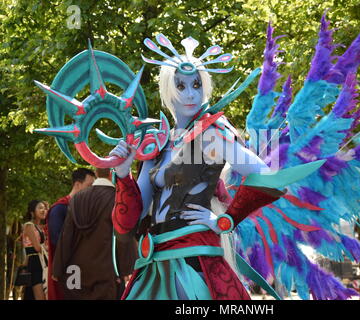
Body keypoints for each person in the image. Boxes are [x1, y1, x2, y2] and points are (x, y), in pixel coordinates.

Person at [108, 35, 306, 300]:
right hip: (155, 266)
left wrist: (225, 220)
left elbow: (268, 177)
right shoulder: (155, 142)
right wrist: (122, 174)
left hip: (195, 263)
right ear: (168, 89)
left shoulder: (212, 134)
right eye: (181, 85)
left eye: (196, 85)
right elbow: (130, 219)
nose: (190, 93)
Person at [52, 168, 137, 299]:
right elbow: (123, 236)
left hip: (76, 272)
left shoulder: (76, 199)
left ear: (96, 174)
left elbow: (66, 235)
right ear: (112, 174)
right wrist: (127, 268)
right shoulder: (118, 199)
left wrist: (58, 268)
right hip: (106, 269)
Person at [46, 168, 95, 300]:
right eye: (89, 186)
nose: (92, 191)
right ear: (77, 185)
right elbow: (58, 241)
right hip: (68, 270)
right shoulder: (60, 208)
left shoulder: (85, 209)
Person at [22, 200, 48, 300]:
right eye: (40, 208)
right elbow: (37, 248)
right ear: (32, 212)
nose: (43, 210)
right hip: (34, 263)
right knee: (40, 297)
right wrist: (48, 247)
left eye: (44, 208)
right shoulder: (29, 226)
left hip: (40, 262)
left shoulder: (39, 227)